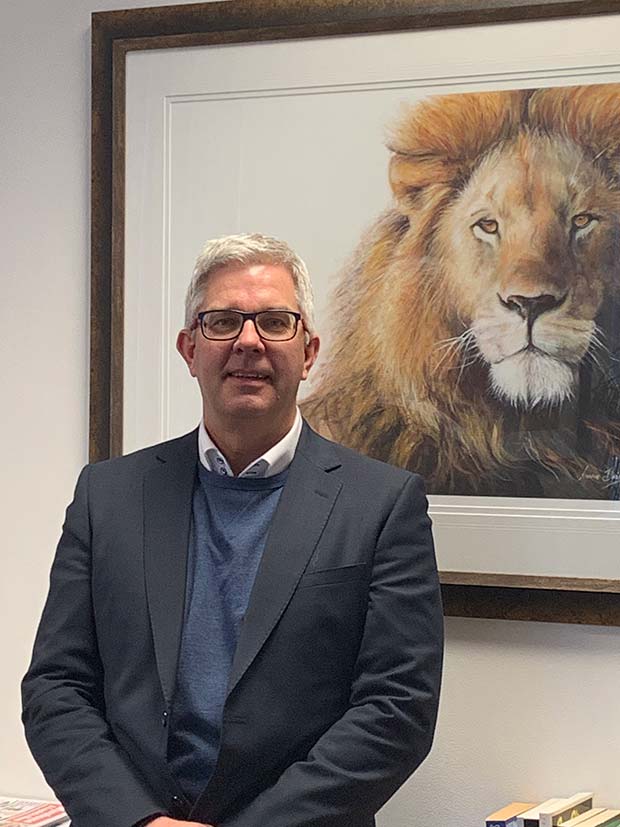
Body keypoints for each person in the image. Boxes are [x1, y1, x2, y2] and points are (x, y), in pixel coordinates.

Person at [22, 233, 444, 827]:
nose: (249, 341)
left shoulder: (382, 504)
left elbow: (398, 708)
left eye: (274, 322)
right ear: (189, 350)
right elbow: (56, 688)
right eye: (222, 322)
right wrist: (137, 819)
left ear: (309, 352)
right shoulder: (107, 496)